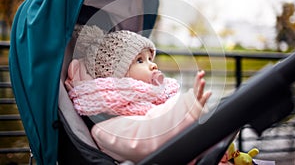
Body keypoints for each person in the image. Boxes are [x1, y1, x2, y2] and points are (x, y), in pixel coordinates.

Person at [65, 25, 212, 163]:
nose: (153, 64)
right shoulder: (106, 130)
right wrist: (187, 109)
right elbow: (150, 132)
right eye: (140, 60)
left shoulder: (157, 98)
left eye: (150, 58)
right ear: (118, 76)